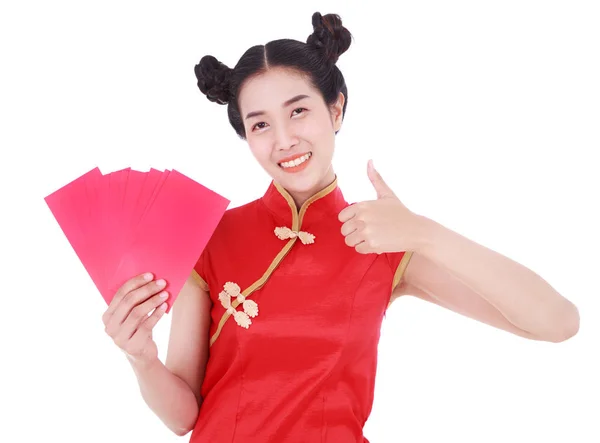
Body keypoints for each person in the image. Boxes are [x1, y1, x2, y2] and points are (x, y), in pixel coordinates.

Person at [100, 11, 580, 443]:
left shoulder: (385, 240)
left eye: (299, 111)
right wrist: (141, 357)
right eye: (260, 125)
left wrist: (423, 232)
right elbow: (184, 416)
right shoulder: (210, 237)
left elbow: (558, 322)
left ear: (336, 109)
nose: (285, 139)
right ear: (246, 137)